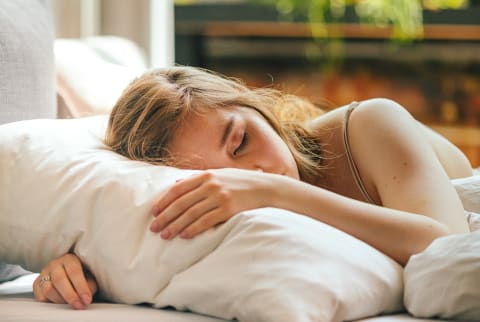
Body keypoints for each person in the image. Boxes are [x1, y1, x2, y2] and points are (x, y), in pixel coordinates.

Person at [33, 66, 473, 309]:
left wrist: (276, 194)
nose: (255, 173)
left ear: (252, 104)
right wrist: (85, 263)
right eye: (216, 175)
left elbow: (445, 248)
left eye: (241, 140)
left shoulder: (371, 124)